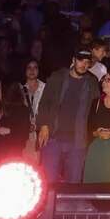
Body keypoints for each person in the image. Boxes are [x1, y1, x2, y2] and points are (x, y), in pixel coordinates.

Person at [37, 48, 100, 183]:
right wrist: (44, 125)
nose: (83, 64)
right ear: (73, 60)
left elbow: (96, 109)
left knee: (73, 185)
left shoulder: (92, 82)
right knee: (49, 182)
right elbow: (44, 102)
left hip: (77, 142)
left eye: (87, 62)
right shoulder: (57, 77)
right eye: (80, 60)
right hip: (53, 138)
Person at [83, 74, 110, 183]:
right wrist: (97, 133)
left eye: (108, 80)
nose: (103, 82)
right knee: (93, 182)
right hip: (97, 147)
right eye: (103, 79)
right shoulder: (96, 102)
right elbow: (89, 128)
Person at [22, 59, 45, 160]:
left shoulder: (46, 88)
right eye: (29, 67)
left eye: (35, 67)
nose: (32, 70)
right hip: (25, 134)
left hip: (41, 133)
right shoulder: (20, 90)